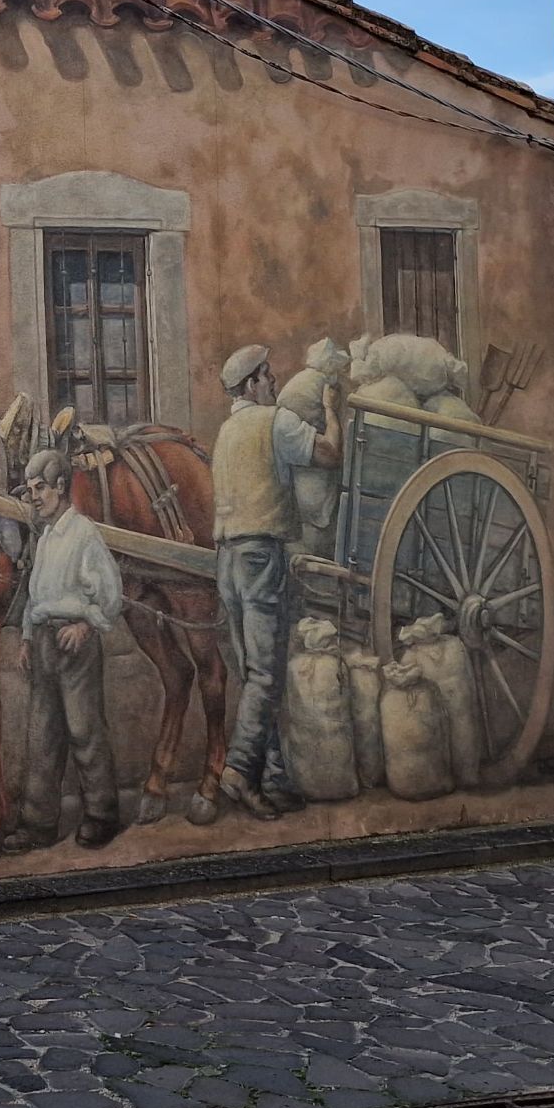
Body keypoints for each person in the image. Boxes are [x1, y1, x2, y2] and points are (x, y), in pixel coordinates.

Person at [209, 342, 344, 821]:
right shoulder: (275, 422)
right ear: (252, 384)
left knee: (252, 675)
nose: (274, 381)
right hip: (261, 557)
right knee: (267, 675)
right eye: (267, 375)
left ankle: (274, 780)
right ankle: (240, 770)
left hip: (226, 561)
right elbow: (329, 454)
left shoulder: (225, 432)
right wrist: (330, 411)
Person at [14, 447, 127, 851]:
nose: (35, 496)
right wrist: (27, 637)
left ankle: (101, 814)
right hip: (45, 642)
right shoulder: (45, 540)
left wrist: (84, 625)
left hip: (73, 644)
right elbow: (34, 595)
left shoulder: (84, 534)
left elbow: (111, 596)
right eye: (30, 490)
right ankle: (39, 822)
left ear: (62, 487)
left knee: (84, 729)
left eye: (40, 488)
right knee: (42, 734)